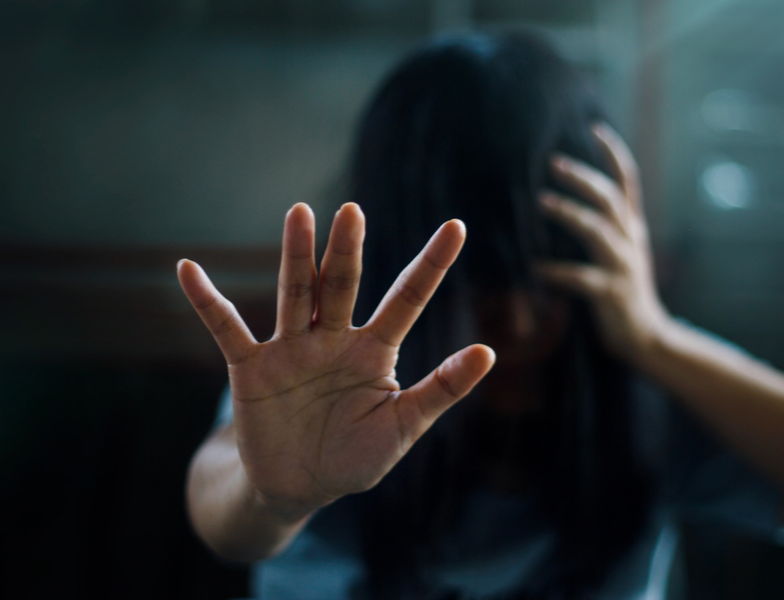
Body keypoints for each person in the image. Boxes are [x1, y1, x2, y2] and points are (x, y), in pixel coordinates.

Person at [178, 33, 784, 599]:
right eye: (482, 293)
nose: (518, 328)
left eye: (554, 284)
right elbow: (226, 503)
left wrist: (657, 341)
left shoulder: (641, 387)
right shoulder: (333, 385)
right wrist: (275, 497)